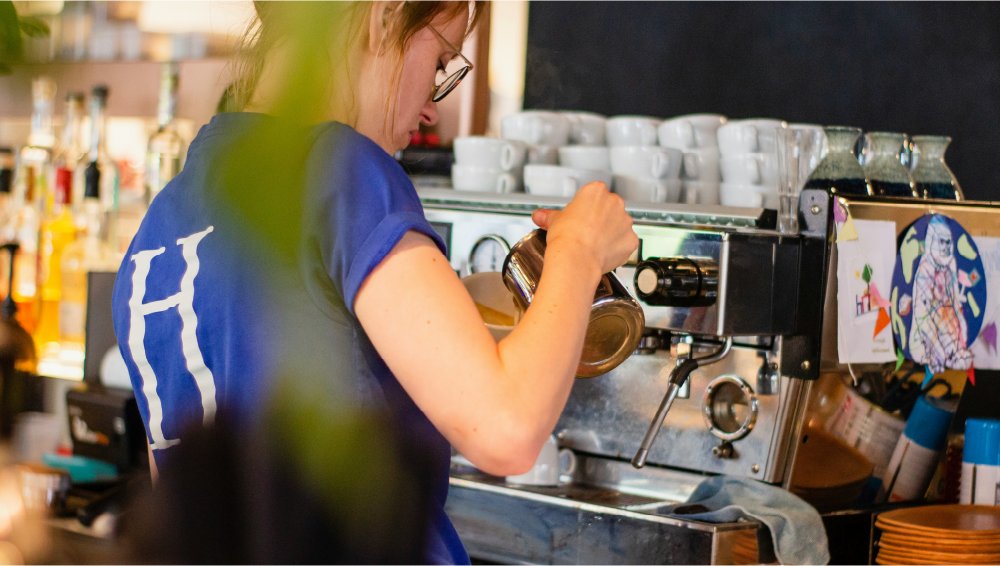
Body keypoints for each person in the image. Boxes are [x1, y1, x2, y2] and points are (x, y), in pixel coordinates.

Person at [111, 0, 637, 564]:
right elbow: (505, 430)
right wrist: (578, 252)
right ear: (385, 16)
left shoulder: (159, 226)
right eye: (439, 62)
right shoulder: (344, 168)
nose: (434, 109)